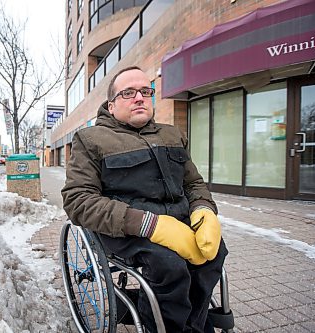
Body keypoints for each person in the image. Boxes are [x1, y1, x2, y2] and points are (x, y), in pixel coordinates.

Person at [61, 66, 227, 333]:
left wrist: (204, 210)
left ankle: (191, 323)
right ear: (111, 106)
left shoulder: (172, 134)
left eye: (145, 91)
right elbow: (78, 201)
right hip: (126, 229)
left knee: (213, 253)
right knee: (169, 266)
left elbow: (193, 183)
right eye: (128, 92)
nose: (139, 97)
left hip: (179, 220)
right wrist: (149, 225)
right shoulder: (91, 140)